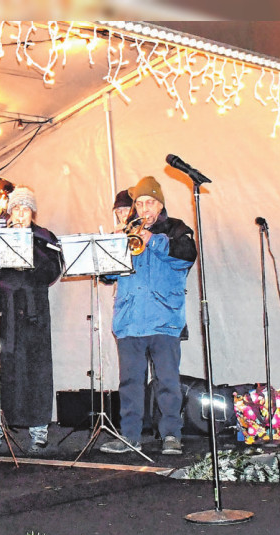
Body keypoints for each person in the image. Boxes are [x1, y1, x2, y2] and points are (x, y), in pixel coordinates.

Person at [98, 179, 196, 456]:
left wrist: (152, 240)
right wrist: (111, 248)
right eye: (139, 204)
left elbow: (187, 256)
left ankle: (171, 435)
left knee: (167, 382)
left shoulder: (176, 229)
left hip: (164, 318)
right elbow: (107, 276)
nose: (143, 208)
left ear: (160, 204)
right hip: (129, 321)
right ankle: (129, 436)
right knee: (130, 384)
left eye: (149, 203)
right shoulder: (126, 232)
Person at [0, 187, 63, 456]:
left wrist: (28, 244)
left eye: (25, 209)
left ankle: (38, 431)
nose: (19, 214)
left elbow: (52, 271)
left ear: (32, 212)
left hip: (32, 312)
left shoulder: (44, 237)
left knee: (34, 369)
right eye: (15, 209)